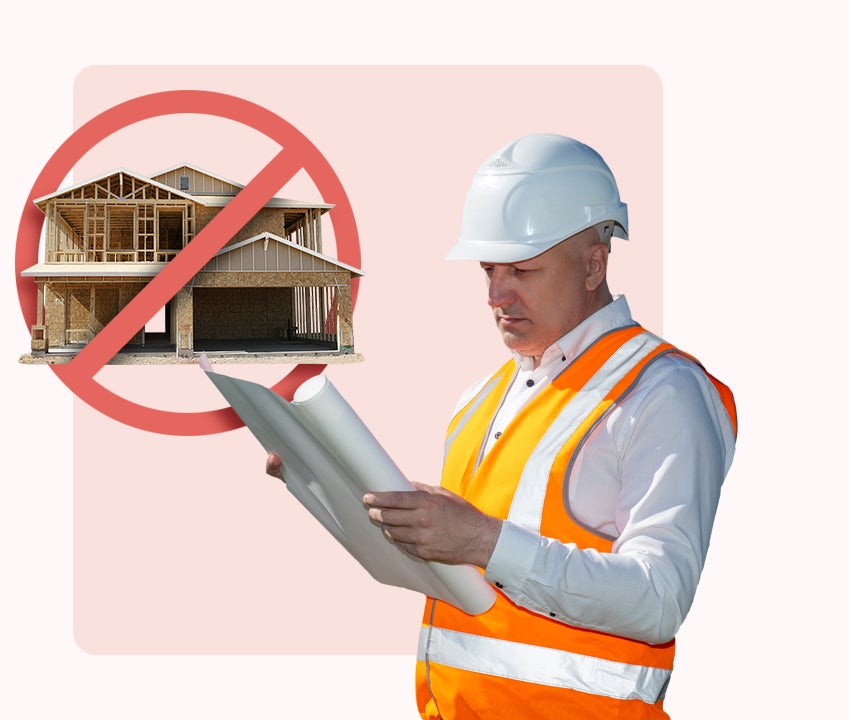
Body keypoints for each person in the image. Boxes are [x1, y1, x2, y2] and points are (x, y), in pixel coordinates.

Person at [268, 133, 737, 719]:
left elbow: (658, 598)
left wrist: (484, 541)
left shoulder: (662, 393)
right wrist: (325, 489)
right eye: (488, 268)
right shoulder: (481, 400)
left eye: (522, 269)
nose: (496, 294)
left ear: (594, 264)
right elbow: (463, 588)